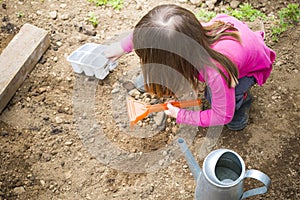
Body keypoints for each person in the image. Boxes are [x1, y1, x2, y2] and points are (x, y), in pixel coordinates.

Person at [104, 4, 276, 131]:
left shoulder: (216, 71)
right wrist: (121, 47)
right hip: (227, 37)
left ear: (173, 63)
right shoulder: (183, 31)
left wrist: (181, 115)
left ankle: (242, 99)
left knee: (214, 97)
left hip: (250, 67)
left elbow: (222, 115)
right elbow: (151, 34)